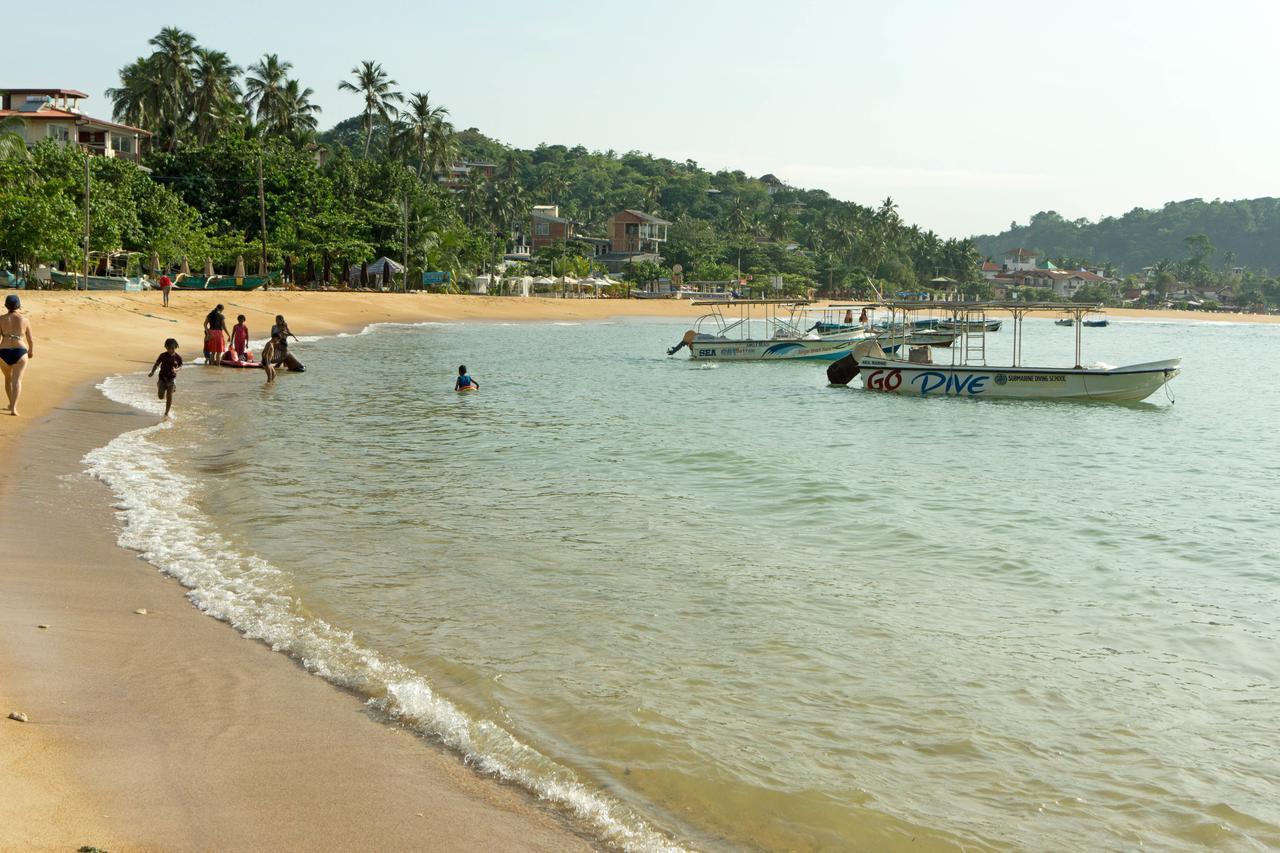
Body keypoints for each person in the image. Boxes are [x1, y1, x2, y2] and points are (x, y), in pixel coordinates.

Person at [0, 294, 34, 417]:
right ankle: (14, 408)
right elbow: (30, 340)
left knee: (8, 378)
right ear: (19, 306)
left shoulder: (1, 319)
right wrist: (31, 351)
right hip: (20, 352)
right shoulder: (25, 320)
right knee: (17, 380)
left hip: (3, 352)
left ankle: (10, 403)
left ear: (6, 306)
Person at [147, 338, 183, 418]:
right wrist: (152, 372)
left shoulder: (178, 357)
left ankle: (166, 413)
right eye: (169, 348)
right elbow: (157, 364)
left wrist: (176, 370)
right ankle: (160, 386)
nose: (171, 350)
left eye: (173, 348)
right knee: (160, 397)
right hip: (162, 378)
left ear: (176, 347)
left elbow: (180, 367)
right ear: (166, 347)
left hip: (171, 379)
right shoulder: (163, 355)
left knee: (169, 396)